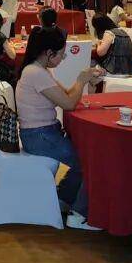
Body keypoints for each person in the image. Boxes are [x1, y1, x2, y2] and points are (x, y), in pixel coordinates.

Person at [15, 26, 103, 230]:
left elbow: (67, 95)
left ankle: (63, 198)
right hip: (39, 136)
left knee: (85, 159)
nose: (63, 58)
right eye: (61, 54)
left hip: (40, 133)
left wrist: (86, 82)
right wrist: (81, 80)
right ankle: (79, 214)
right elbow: (69, 103)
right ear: (49, 53)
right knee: (90, 161)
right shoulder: (36, 73)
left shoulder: (37, 70)